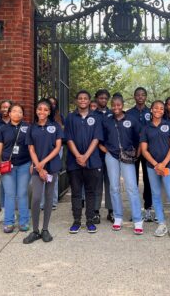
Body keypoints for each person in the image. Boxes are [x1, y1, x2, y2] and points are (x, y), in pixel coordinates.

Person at [140, 100, 170, 242]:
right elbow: (144, 150)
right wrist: (155, 164)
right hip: (152, 167)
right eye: (156, 108)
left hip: (168, 166)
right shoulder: (146, 128)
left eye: (161, 108)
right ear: (151, 110)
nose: (159, 110)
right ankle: (161, 224)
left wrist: (163, 164)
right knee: (156, 195)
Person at [100, 94, 143, 234]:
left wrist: (136, 154)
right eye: (113, 105)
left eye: (118, 105)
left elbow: (140, 138)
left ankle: (137, 219)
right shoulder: (107, 121)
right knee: (114, 187)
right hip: (111, 156)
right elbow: (100, 140)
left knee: (131, 187)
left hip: (127, 156)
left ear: (122, 105)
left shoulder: (132, 119)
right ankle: (117, 217)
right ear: (111, 106)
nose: (116, 107)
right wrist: (107, 151)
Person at [23, 99, 64, 244]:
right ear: (36, 110)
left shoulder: (55, 126)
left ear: (49, 112)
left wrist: (43, 163)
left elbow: (57, 147)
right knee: (36, 198)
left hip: (51, 166)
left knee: (48, 198)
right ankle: (35, 231)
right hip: (37, 168)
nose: (42, 112)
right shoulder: (31, 128)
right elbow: (31, 149)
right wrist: (38, 166)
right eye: (39, 108)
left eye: (45, 109)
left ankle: (45, 229)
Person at [65, 90, 104, 234]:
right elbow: (68, 138)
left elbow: (96, 138)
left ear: (89, 101)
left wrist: (86, 156)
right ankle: (76, 221)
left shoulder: (97, 117)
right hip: (74, 161)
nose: (82, 100)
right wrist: (78, 156)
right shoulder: (70, 117)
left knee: (90, 192)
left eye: (85, 98)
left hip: (92, 161)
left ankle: (89, 221)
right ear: (76, 101)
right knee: (76, 192)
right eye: (80, 98)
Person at [0, 104, 31, 233]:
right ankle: (8, 222)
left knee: (22, 194)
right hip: (7, 166)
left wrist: (33, 164)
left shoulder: (28, 127)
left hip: (24, 164)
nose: (17, 114)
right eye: (14, 111)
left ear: (23, 114)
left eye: (20, 111)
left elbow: (32, 147)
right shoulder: (2, 129)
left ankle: (24, 221)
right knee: (9, 194)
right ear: (9, 113)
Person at [126, 87, 153, 221]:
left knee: (149, 180)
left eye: (143, 95)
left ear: (146, 97)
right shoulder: (129, 113)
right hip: (133, 150)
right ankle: (135, 210)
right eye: (138, 95)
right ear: (134, 97)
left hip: (149, 151)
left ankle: (148, 209)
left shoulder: (151, 111)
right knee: (133, 181)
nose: (140, 97)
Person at [92, 89, 114, 223]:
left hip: (111, 153)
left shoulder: (113, 114)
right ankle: (95, 212)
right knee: (97, 183)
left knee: (111, 183)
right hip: (96, 153)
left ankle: (111, 211)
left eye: (106, 98)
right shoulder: (92, 115)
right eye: (101, 98)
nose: (103, 100)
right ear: (96, 99)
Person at [0, 99, 11, 223]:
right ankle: (3, 209)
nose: (5, 109)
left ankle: (11, 210)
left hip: (15, 158)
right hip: (0, 156)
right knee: (3, 184)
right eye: (3, 107)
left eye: (8, 107)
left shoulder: (17, 122)